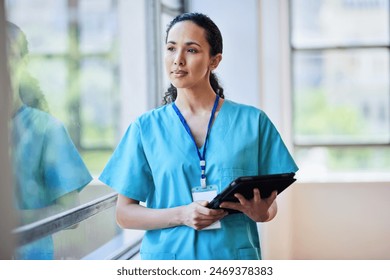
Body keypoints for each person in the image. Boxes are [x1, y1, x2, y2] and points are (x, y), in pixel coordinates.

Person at [99, 12, 298, 260]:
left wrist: (261, 213)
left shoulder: (253, 122)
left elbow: (270, 207)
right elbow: (124, 214)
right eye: (171, 48)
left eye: (191, 50)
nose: (178, 60)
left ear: (214, 61)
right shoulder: (145, 128)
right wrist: (181, 214)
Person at [7, 22, 93, 259]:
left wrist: (16, 219)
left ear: (23, 63)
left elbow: (71, 213)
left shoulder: (46, 129)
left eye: (9, 55)